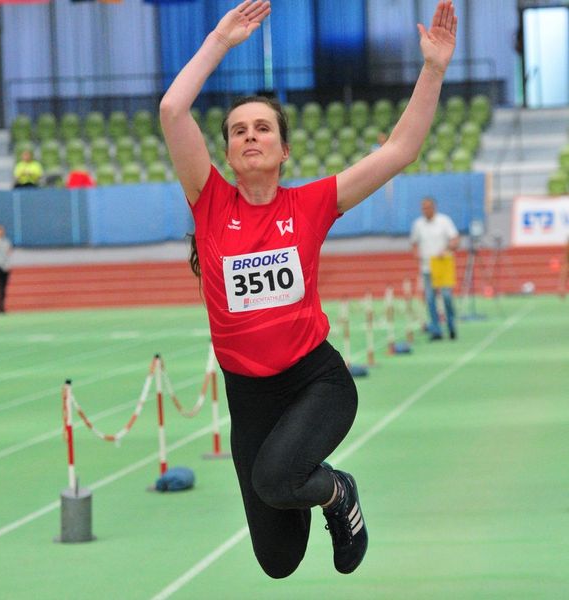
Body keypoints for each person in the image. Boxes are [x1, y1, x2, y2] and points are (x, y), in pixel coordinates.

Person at [160, 0, 456, 578]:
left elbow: (400, 150)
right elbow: (173, 110)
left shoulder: (311, 204)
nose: (250, 136)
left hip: (315, 382)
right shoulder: (209, 201)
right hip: (249, 397)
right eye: (239, 131)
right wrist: (220, 40)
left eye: (262, 128)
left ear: (284, 148)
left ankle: (339, 493)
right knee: (279, 561)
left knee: (277, 479)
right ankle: (310, 486)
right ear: (227, 152)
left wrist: (433, 69)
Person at [410, 196, 460, 340]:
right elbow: (414, 243)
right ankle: (436, 330)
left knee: (446, 296)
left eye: (427, 207)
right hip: (427, 267)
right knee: (430, 299)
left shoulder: (444, 221)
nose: (425, 210)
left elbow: (455, 240)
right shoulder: (418, 224)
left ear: (434, 208)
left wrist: (447, 249)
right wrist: (416, 255)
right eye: (423, 208)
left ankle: (451, 325)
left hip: (442, 265)